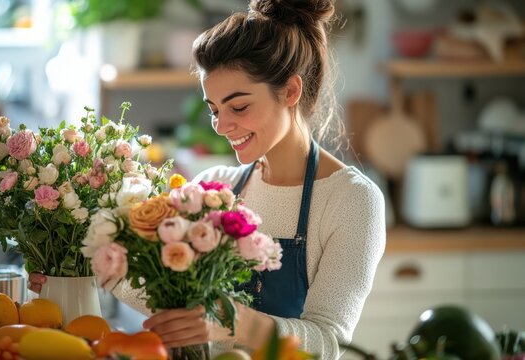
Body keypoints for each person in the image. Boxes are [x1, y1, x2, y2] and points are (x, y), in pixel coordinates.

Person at [29, 0, 385, 357]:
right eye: (214, 109)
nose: (221, 125)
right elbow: (174, 304)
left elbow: (331, 345)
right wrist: (82, 270)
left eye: (239, 106)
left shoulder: (351, 201)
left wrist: (236, 321)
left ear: (291, 91)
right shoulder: (216, 186)